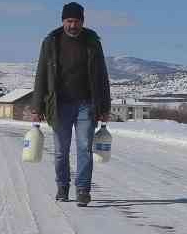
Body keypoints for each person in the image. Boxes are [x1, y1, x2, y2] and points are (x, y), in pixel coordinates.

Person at [31, 2, 111, 207]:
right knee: (60, 151)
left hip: (87, 104)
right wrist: (37, 107)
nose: (72, 25)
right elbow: (41, 74)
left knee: (84, 147)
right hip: (59, 105)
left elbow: (102, 75)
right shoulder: (51, 41)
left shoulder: (92, 41)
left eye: (76, 21)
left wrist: (105, 108)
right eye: (69, 21)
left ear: (82, 22)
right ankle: (62, 186)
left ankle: (83, 189)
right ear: (62, 21)